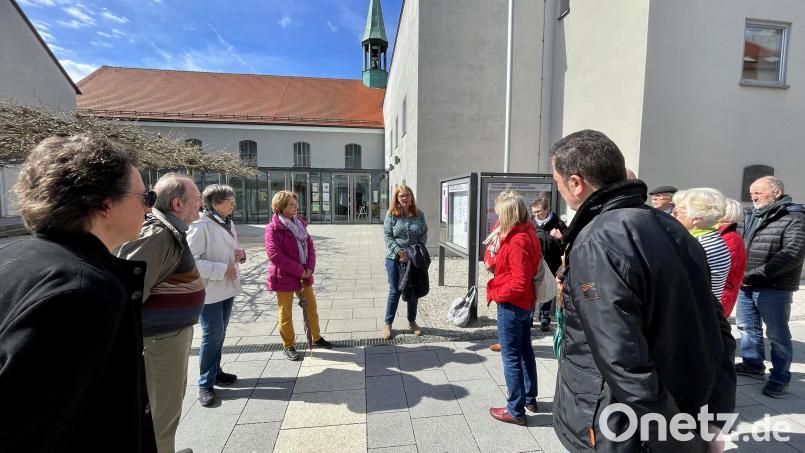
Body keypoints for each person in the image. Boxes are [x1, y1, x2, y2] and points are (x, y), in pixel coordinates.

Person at [551, 130, 735, 452]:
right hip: (675, 407)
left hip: (619, 423)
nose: (560, 190)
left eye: (558, 181)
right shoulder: (672, 227)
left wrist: (676, 441)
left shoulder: (598, 240)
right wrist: (715, 416)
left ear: (576, 183)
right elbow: (718, 328)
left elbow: (622, 357)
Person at [0, 135, 156, 451]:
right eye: (145, 197)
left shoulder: (15, 255)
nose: (149, 210)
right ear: (104, 203)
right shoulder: (82, 292)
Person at [116, 173, 207, 453]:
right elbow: (126, 291)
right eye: (196, 199)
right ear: (178, 203)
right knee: (160, 413)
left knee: (169, 405)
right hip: (160, 341)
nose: (201, 204)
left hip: (169, 336)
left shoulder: (170, 230)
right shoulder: (158, 234)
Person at [735, 176, 805, 398]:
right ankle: (753, 365)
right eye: (752, 192)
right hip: (747, 283)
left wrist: (755, 275)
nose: (753, 197)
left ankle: (780, 378)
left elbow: (792, 254)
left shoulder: (794, 217)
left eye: (758, 192)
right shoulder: (753, 215)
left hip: (774, 286)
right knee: (747, 327)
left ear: (776, 193)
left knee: (776, 333)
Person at [486, 191, 541, 426]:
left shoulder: (518, 239)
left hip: (512, 304)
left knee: (511, 356)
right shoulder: (527, 232)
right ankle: (529, 398)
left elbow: (519, 281)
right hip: (524, 303)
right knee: (525, 350)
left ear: (508, 213)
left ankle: (515, 409)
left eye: (500, 212)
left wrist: (496, 293)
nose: (497, 217)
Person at [187, 184, 245, 406]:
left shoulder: (226, 222)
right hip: (209, 291)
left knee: (220, 333)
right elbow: (191, 261)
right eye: (228, 200)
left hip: (226, 288)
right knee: (212, 335)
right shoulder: (200, 226)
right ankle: (204, 383)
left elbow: (231, 247)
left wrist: (240, 254)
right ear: (214, 203)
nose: (233, 203)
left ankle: (216, 371)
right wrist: (222, 269)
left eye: (232, 199)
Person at [265, 190, 333, 361]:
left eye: (296, 204)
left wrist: (309, 267)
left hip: (304, 274)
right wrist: (299, 270)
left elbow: (310, 246)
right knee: (285, 313)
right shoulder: (273, 228)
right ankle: (288, 345)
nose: (295, 207)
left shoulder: (300, 224)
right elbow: (274, 255)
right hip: (284, 276)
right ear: (280, 207)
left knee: (311, 307)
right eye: (291, 204)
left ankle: (316, 337)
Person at [382, 185, 428, 339]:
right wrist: (400, 252)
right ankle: (388, 324)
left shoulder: (419, 214)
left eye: (407, 195)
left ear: (411, 197)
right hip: (394, 259)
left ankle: (412, 321)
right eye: (402, 195)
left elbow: (423, 234)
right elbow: (388, 237)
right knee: (395, 290)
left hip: (413, 259)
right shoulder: (391, 215)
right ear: (397, 198)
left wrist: (414, 251)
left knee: (413, 290)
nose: (405, 197)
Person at [672, 188, 732, 301]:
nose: (672, 215)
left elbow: (676, 282)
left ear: (696, 218)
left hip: (695, 312)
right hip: (705, 309)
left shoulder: (699, 244)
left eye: (676, 212)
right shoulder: (712, 237)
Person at [531, 197, 567, 331]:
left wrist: (559, 238)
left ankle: (545, 318)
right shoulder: (530, 223)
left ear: (547, 209)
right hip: (535, 263)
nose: (535, 215)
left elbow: (567, 245)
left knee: (548, 289)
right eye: (534, 212)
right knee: (532, 288)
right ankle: (529, 318)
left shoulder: (559, 224)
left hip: (552, 262)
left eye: (538, 212)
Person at [716, 198, 747, 317]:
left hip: (723, 292)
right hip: (722, 290)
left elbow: (723, 266)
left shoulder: (730, 237)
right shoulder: (722, 233)